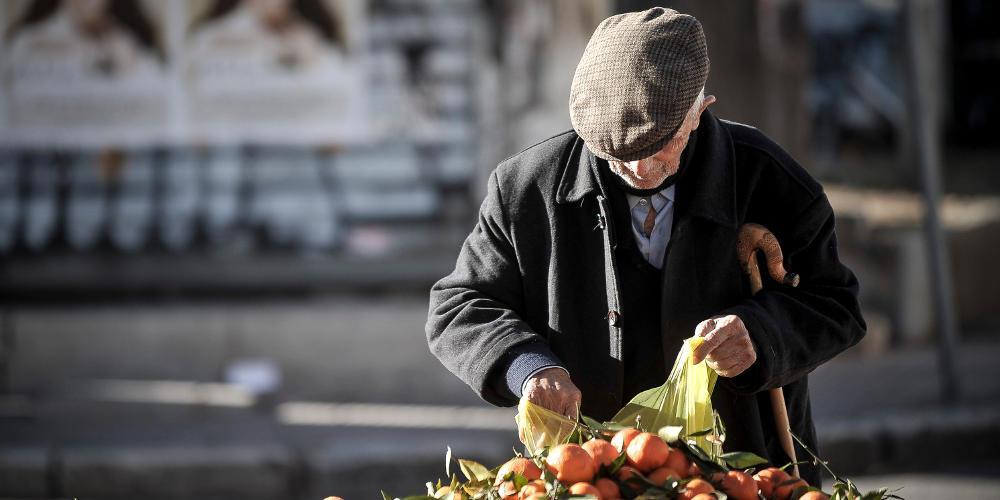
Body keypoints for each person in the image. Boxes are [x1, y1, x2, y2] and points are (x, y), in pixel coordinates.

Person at [426, 7, 865, 487]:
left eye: (657, 146)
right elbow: (460, 306)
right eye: (616, 155)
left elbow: (835, 304)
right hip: (591, 476)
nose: (637, 169)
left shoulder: (767, 177)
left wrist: (760, 335)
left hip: (741, 471)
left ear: (700, 109)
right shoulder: (526, 187)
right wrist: (528, 367)